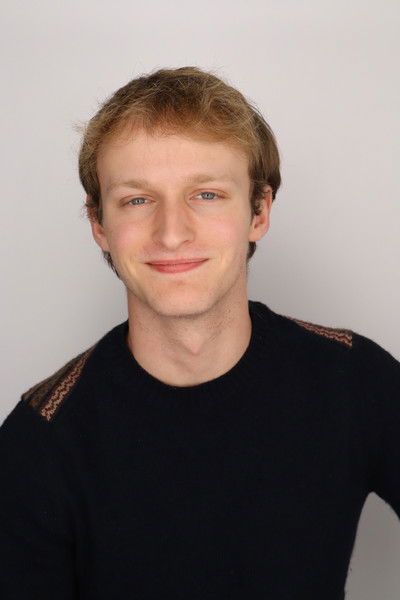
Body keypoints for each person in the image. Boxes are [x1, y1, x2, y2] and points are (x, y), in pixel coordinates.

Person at [0, 66, 399, 600]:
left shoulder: (354, 379)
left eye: (206, 195)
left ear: (259, 212)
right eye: (137, 200)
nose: (171, 233)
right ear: (99, 225)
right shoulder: (38, 441)